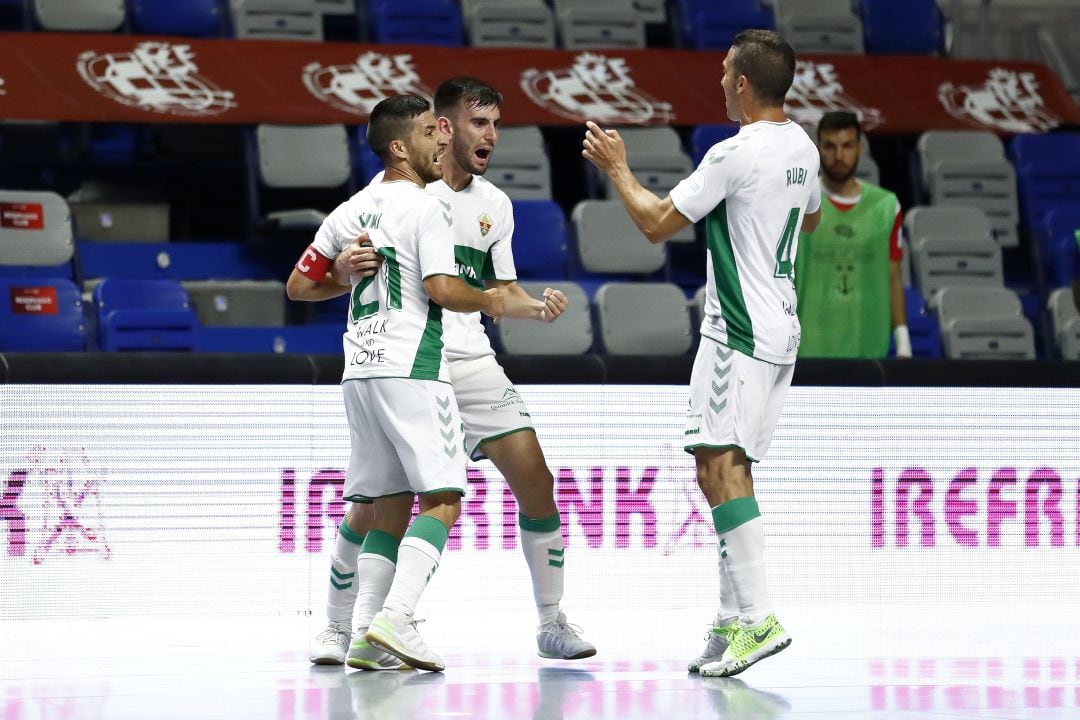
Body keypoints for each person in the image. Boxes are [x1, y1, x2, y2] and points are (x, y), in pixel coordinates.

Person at [310, 76, 596, 667]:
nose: (491, 134)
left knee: (536, 481)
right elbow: (352, 278)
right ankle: (343, 628)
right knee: (375, 507)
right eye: (478, 122)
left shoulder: (495, 204)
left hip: (470, 361)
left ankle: (550, 622)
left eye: (496, 123)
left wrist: (531, 306)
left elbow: (502, 288)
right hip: (415, 358)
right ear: (442, 127)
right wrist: (339, 268)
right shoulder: (405, 196)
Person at [582, 29, 820, 677]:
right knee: (730, 470)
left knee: (718, 470)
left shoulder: (734, 154)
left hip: (736, 331)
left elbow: (657, 224)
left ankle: (759, 617)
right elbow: (812, 217)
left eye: (723, 72)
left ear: (743, 83)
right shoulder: (802, 145)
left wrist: (617, 169)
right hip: (782, 329)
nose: (718, 80)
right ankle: (730, 619)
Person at [287, 94, 505, 672]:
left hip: (359, 368)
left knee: (372, 503)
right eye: (432, 135)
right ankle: (396, 616)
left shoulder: (348, 211)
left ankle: (349, 632)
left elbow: (298, 286)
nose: (444, 142)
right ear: (400, 147)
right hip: (413, 365)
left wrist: (337, 275)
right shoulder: (426, 207)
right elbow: (441, 289)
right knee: (442, 499)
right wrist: (496, 300)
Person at [794, 111, 910, 358]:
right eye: (830, 146)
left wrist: (903, 342)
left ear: (860, 148)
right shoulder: (797, 201)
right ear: (818, 148)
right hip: (807, 351)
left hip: (869, 349)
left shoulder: (887, 206)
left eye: (847, 146)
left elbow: (894, 278)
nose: (839, 156)